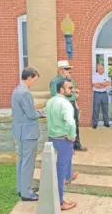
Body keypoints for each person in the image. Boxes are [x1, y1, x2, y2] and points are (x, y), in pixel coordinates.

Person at [11, 67, 45, 201]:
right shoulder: (24, 92)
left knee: (21, 161)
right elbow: (31, 114)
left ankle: (22, 188)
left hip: (20, 131)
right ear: (29, 77)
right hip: (28, 133)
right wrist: (43, 112)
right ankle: (26, 192)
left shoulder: (16, 90)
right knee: (27, 163)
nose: (35, 82)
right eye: (35, 79)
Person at [46, 78, 77, 211]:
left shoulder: (50, 101)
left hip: (51, 138)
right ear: (61, 90)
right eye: (70, 88)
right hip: (63, 139)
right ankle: (59, 202)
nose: (72, 90)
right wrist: (72, 136)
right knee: (60, 171)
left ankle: (67, 177)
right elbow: (70, 122)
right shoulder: (65, 104)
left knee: (56, 169)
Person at [50, 60, 87, 152]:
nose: (69, 71)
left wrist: (76, 103)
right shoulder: (55, 82)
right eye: (67, 69)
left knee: (75, 125)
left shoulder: (70, 80)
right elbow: (55, 96)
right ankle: (68, 147)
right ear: (61, 70)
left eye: (69, 69)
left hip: (72, 105)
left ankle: (76, 144)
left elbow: (72, 94)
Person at [92, 64, 111, 129]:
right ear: (97, 69)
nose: (101, 69)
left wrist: (100, 83)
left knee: (105, 109)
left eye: (102, 68)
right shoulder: (94, 76)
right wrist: (104, 84)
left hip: (104, 94)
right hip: (97, 94)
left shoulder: (105, 75)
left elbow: (108, 83)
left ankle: (106, 123)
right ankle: (95, 123)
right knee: (96, 109)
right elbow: (96, 85)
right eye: (100, 68)